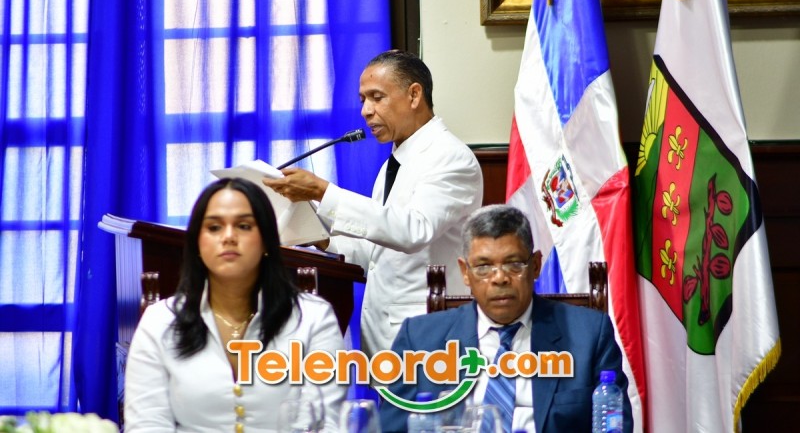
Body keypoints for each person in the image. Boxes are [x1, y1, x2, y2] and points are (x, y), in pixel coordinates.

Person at [263, 49, 483, 356]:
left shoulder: (451, 158)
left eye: (377, 97)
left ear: (414, 95)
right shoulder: (394, 162)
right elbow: (376, 255)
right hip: (382, 335)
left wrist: (323, 192)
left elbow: (413, 230)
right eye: (363, 100)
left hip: (428, 334)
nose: (366, 111)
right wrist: (319, 236)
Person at [379, 205, 633, 433]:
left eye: (514, 264)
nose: (499, 278)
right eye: (483, 267)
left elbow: (615, 425)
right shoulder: (419, 340)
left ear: (536, 266)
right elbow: (391, 428)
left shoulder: (588, 334)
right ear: (465, 272)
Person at [124, 178, 346, 432]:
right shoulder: (160, 321)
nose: (229, 237)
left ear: (266, 241)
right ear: (197, 243)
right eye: (214, 227)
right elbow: (146, 424)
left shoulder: (313, 318)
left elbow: (326, 423)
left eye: (243, 226)